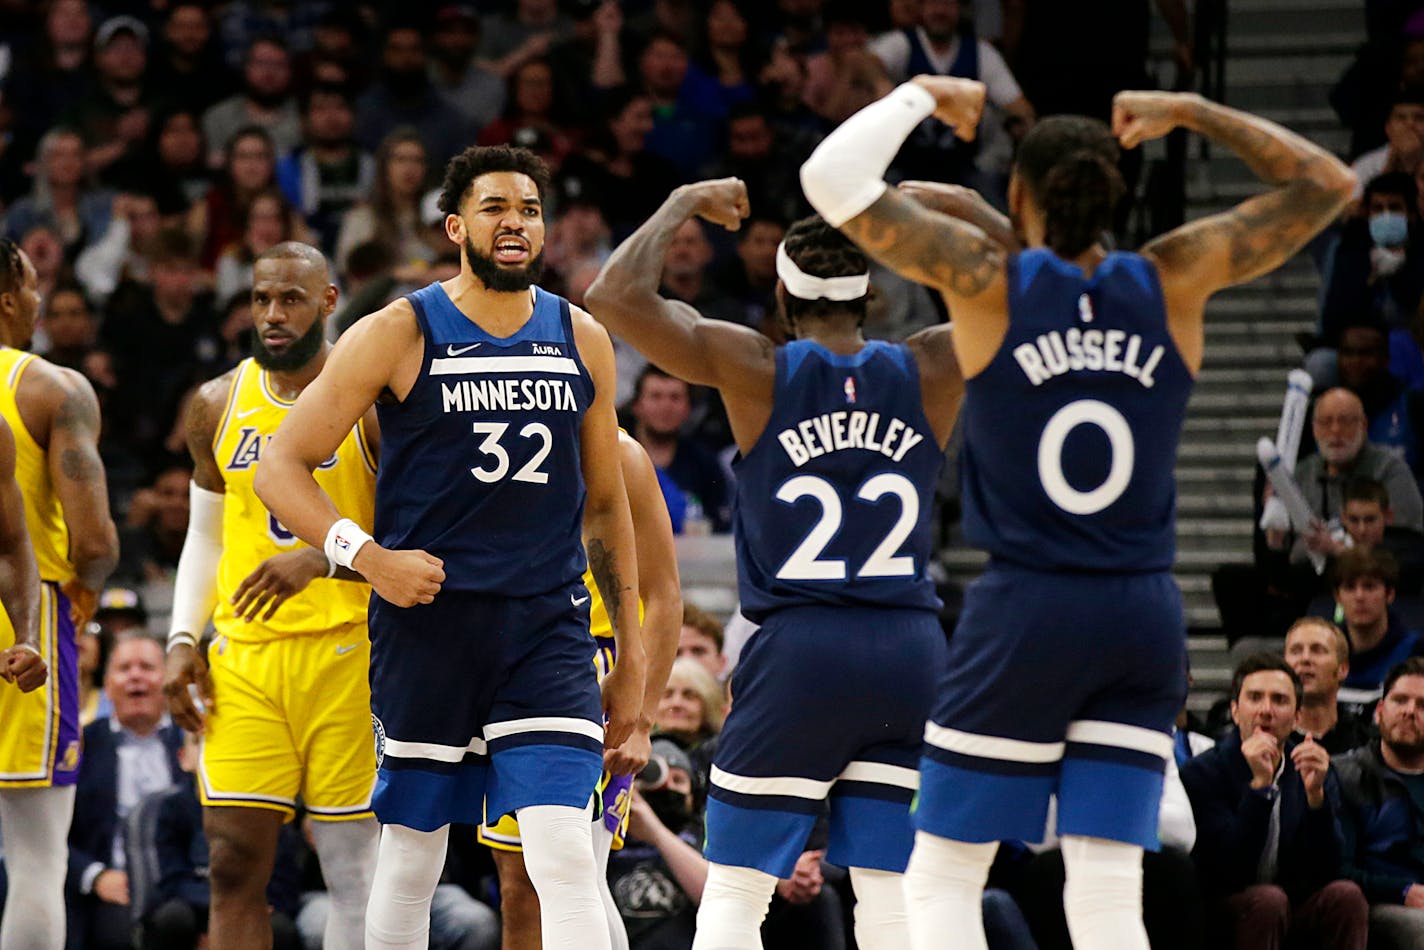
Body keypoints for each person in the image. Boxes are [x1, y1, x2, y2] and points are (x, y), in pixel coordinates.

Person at [796, 77, 1354, 950]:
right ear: (1115, 195)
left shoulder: (991, 282)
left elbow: (830, 178)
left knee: (941, 871)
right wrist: (1194, 113)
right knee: (1104, 882)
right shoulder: (1173, 274)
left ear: (1021, 196)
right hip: (1140, 612)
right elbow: (1332, 185)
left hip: (1029, 605)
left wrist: (918, 95)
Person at [253, 144, 645, 950]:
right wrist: (367, 557)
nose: (516, 222)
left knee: (566, 855)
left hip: (547, 626)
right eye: (497, 207)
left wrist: (633, 658)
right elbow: (280, 468)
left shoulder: (582, 336)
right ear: (456, 225)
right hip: (429, 625)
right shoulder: (398, 329)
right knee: (412, 855)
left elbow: (606, 508)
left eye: (530, 209)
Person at [585, 187, 965, 949]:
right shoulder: (932, 363)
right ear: (872, 294)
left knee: (735, 890)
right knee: (891, 890)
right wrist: (949, 211)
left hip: (802, 649)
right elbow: (1021, 293)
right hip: (911, 647)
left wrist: (680, 203)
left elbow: (612, 296)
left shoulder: (755, 366)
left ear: (783, 292)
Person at [160, 242, 379, 950]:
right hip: (247, 665)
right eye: (261, 299)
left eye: (290, 298)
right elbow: (208, 539)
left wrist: (321, 558)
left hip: (353, 658)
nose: (273, 314)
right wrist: (182, 640)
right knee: (230, 864)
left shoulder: (373, 402)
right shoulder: (216, 403)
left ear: (328, 301)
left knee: (355, 870)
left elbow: (412, 541)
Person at [480, 429, 682, 950]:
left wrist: (641, 722)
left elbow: (663, 597)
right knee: (518, 881)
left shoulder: (621, 453)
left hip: (597, 666)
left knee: (573, 874)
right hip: (512, 659)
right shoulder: (494, 429)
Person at [0, 238, 119, 950]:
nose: (42, 301)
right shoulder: (53, 388)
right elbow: (95, 542)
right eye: (36, 287)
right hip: (27, 612)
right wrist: (88, 592)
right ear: (9, 298)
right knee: (38, 857)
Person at [1181, 654, 1368, 948]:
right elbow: (1227, 870)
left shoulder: (1313, 767)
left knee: (1346, 895)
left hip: (1288, 904)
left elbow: (1329, 869)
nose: (1266, 710)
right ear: (1235, 710)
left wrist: (1317, 798)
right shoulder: (1202, 772)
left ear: (1297, 717)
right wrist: (1260, 788)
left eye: (1279, 700)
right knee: (1269, 900)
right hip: (1221, 909)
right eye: (1255, 698)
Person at [66, 635, 184, 950]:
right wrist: (94, 876)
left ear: (168, 680)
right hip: (110, 885)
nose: (135, 676)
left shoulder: (194, 745)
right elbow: (52, 835)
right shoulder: (80, 747)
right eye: (124, 668)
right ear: (107, 685)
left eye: (147, 667)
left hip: (184, 888)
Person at [1336, 656, 1424, 946]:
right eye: (1400, 701)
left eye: (1422, 705)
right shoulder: (1345, 775)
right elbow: (1338, 868)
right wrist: (1401, 890)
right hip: (1378, 905)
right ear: (1379, 711)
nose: (1410, 711)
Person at [1284, 617, 1370, 755]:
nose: (1305, 658)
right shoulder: (1271, 738)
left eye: (1317, 650)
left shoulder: (1366, 742)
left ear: (1342, 669)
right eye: (1296, 651)